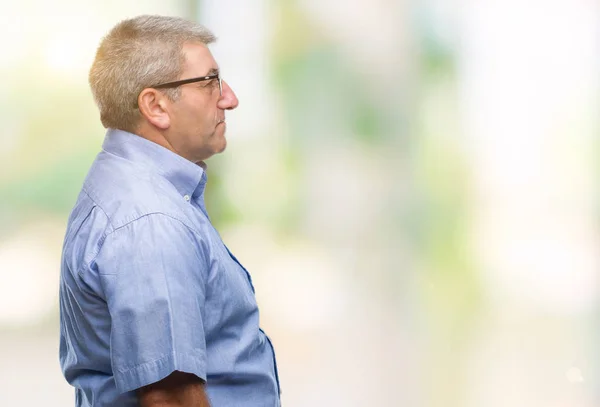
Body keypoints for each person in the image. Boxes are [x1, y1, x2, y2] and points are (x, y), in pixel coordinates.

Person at [58, 15, 281, 407]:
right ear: (155, 105)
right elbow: (170, 398)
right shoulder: (151, 222)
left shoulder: (132, 192)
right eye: (210, 81)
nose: (229, 97)